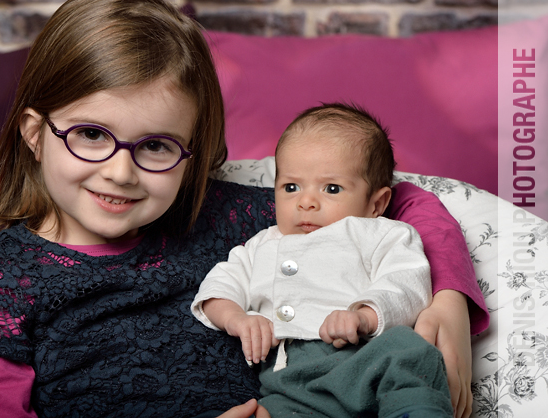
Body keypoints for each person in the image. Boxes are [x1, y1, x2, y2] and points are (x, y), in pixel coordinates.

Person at [0, 0, 487, 418]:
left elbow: (404, 201)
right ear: (35, 133)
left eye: (156, 145)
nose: (121, 171)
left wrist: (449, 301)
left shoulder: (218, 217)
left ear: (192, 152)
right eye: (90, 135)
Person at [192, 104, 453, 417]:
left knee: (411, 353)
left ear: (376, 203)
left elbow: (407, 281)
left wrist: (366, 315)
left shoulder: (380, 233)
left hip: (365, 357)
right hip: (290, 380)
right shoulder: (261, 245)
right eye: (291, 187)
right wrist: (237, 318)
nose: (306, 202)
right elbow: (218, 287)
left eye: (331, 188)